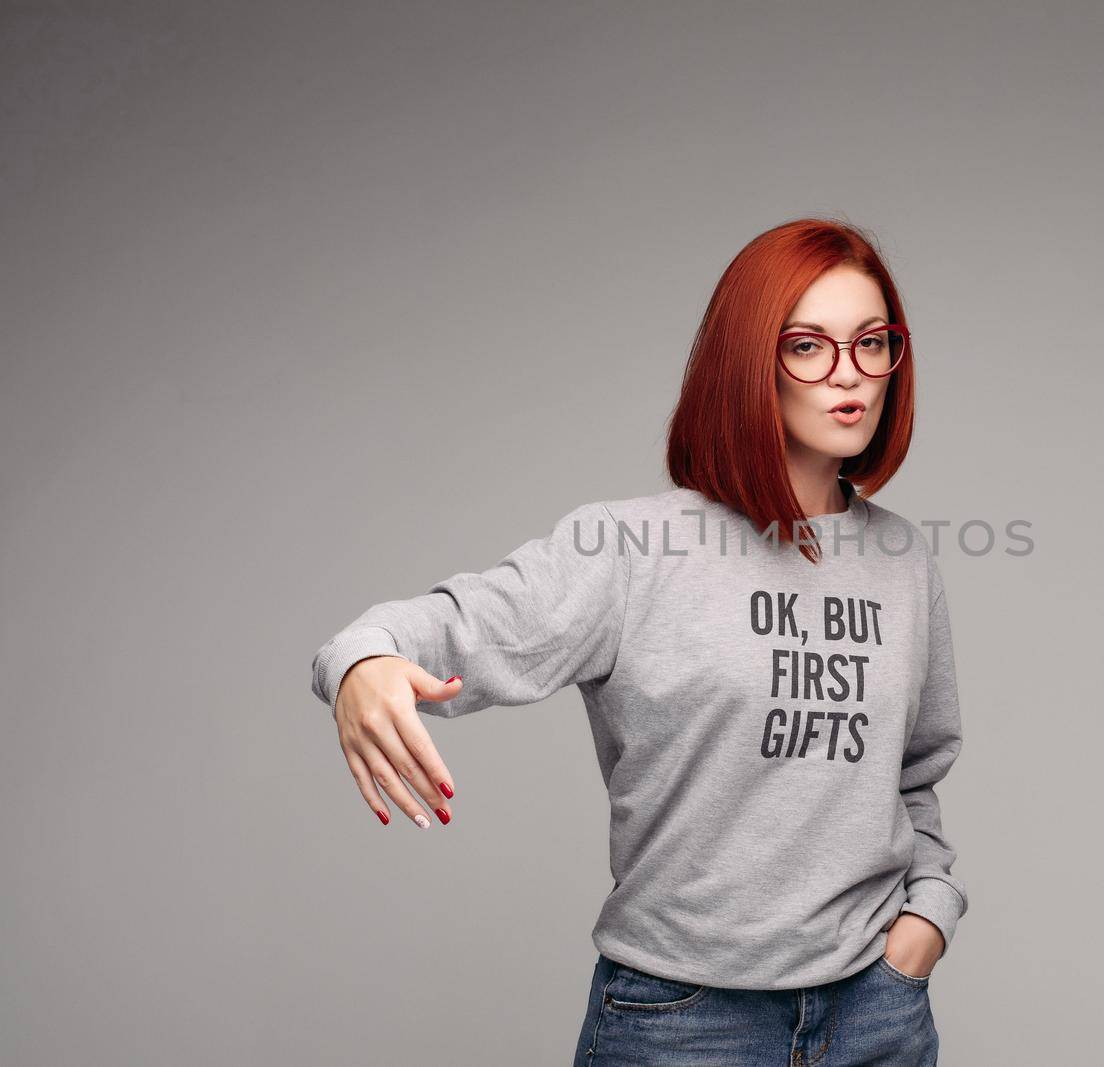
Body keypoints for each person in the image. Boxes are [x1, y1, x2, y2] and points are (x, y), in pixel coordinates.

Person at [310, 218, 968, 1065]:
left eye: (872, 342)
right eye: (807, 346)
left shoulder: (903, 559)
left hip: (875, 1013)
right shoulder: (630, 549)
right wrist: (363, 660)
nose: (850, 375)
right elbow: (451, 623)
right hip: (686, 1023)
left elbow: (914, 776)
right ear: (749, 362)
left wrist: (928, 921)